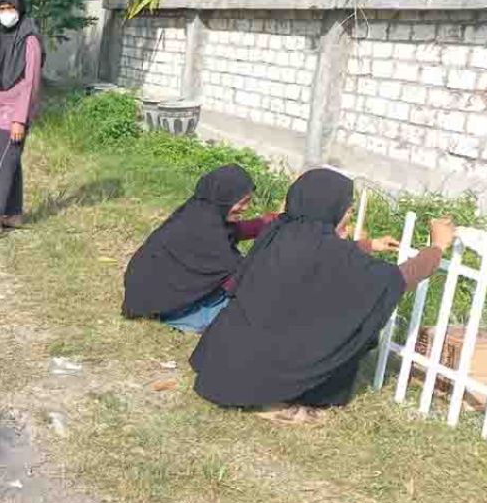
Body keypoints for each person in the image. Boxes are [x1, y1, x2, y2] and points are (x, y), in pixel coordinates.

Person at [190, 168, 451, 418]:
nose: (349, 214)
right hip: (261, 375)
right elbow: (396, 279)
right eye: (348, 208)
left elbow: (322, 258)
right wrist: (438, 245)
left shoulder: (278, 231)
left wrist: (368, 245)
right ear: (331, 207)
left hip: (225, 361)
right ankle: (279, 397)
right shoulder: (328, 251)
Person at [122, 165, 280, 333]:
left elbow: (235, 231)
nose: (246, 208)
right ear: (224, 199)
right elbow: (240, 278)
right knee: (248, 308)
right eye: (242, 202)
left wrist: (267, 222)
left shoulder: (201, 212)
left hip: (158, 296)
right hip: (172, 310)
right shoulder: (205, 233)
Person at [0, 0, 43, 240]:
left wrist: (19, 119)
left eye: (10, 7)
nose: (6, 13)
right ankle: (14, 214)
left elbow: (30, 83)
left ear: (20, 8)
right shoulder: (6, 35)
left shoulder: (29, 39)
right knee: (10, 161)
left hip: (15, 113)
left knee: (1, 164)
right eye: (2, 8)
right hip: (0, 109)